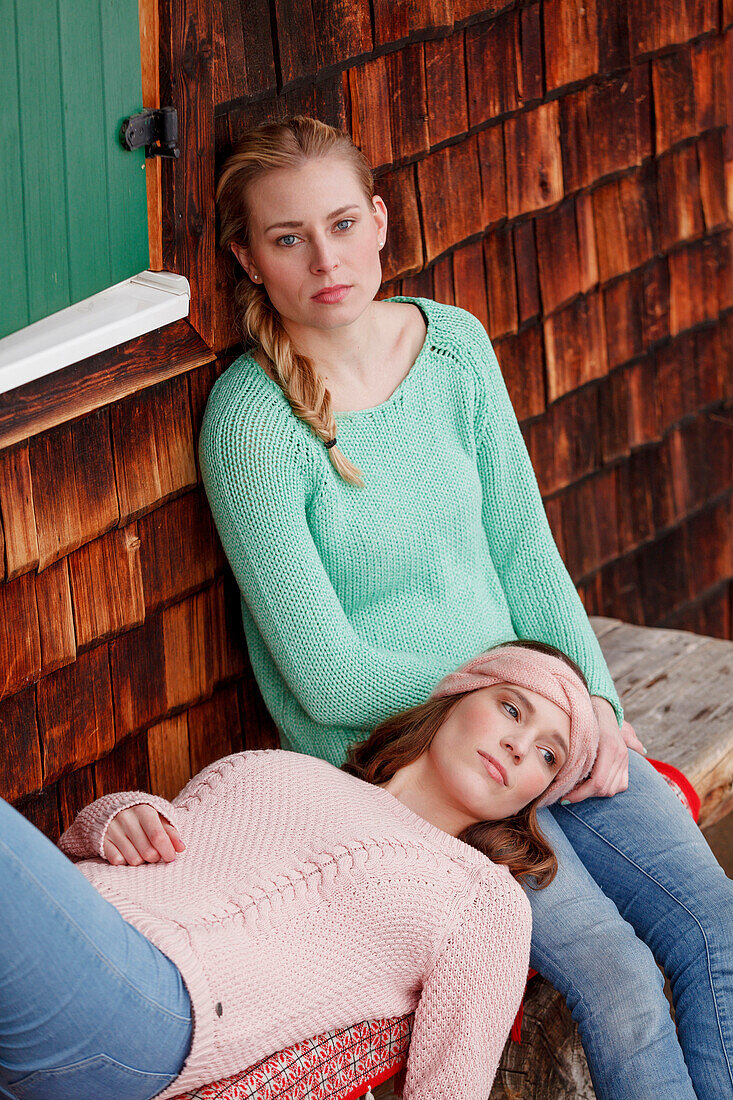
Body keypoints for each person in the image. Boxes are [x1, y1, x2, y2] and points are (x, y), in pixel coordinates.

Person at [201, 115, 733, 1100]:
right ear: (248, 257)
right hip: (410, 768)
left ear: (379, 220)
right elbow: (328, 673)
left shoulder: (452, 348)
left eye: (341, 222)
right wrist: (526, 694)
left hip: (537, 723)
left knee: (717, 926)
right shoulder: (252, 421)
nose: (325, 258)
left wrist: (595, 712)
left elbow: (524, 551)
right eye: (287, 238)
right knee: (616, 980)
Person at [0, 643, 596, 1100]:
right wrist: (119, 818)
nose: (521, 746)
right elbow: (107, 853)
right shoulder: (271, 767)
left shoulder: (484, 899)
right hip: (78, 947)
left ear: (535, 794)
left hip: (157, 1009)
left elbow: (450, 1089)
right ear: (457, 697)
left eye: (549, 754)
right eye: (511, 709)